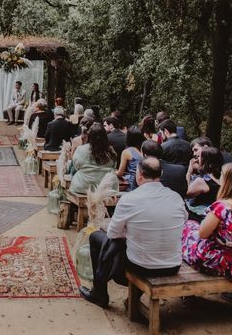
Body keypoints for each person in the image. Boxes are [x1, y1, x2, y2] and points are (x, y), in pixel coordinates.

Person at [80, 157, 188, 308]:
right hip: (173, 264)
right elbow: (183, 221)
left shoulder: (129, 199)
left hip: (142, 266)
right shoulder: (176, 197)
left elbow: (112, 234)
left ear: (139, 175)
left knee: (95, 237)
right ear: (160, 174)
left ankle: (100, 292)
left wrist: (129, 231)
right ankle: (128, 299)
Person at [70, 122, 117, 195]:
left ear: (89, 136)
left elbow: (76, 166)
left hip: (83, 186)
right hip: (107, 188)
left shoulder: (81, 149)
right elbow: (114, 167)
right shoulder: (111, 151)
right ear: (105, 136)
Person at [186, 146, 224, 220]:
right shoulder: (223, 177)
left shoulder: (202, 181)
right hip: (218, 215)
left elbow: (186, 194)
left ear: (205, 161)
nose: (197, 159)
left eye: (199, 157)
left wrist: (188, 173)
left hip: (202, 216)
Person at [116, 125, 143, 191]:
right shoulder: (143, 150)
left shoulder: (126, 152)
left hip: (132, 186)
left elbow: (120, 173)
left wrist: (113, 171)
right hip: (143, 183)